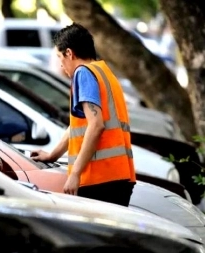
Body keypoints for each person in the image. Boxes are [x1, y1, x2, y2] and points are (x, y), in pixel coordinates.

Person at [31, 23, 136, 207]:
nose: (61, 65)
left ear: (69, 53)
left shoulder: (83, 73)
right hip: (119, 177)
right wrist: (53, 155)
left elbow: (96, 125)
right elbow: (81, 125)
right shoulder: (103, 71)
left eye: (59, 57)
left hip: (99, 180)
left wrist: (75, 174)